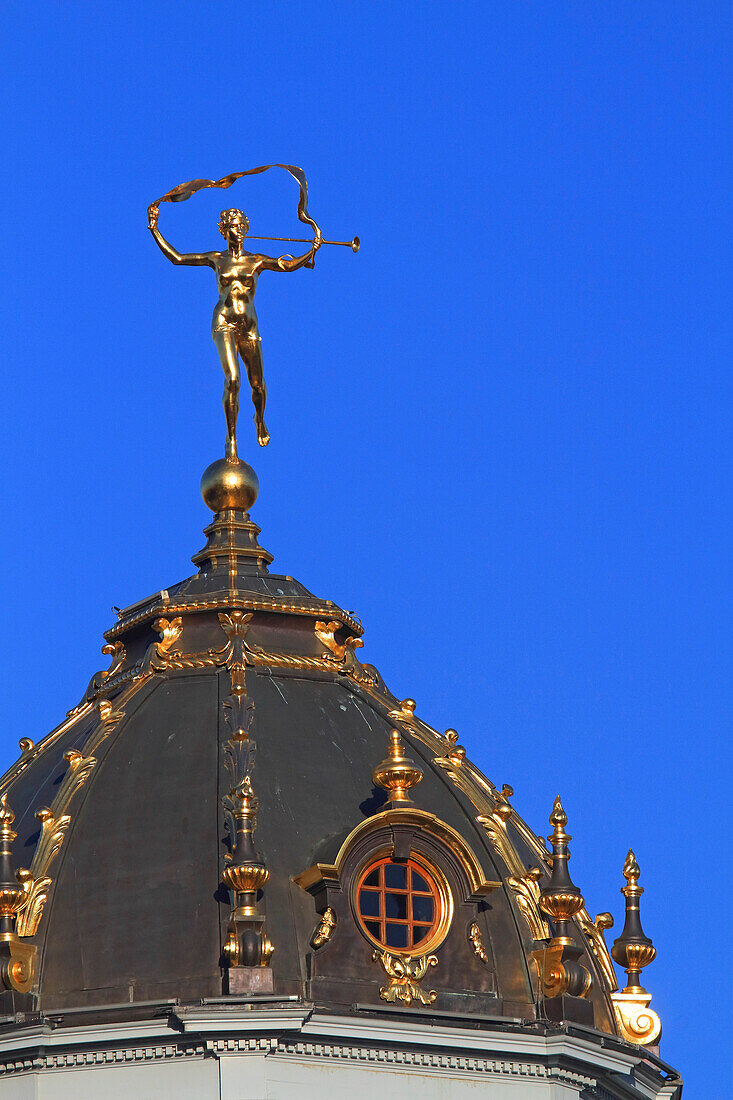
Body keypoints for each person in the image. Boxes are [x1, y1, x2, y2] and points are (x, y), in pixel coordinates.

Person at [148, 204, 320, 454]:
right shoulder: (217, 259)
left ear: (246, 229)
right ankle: (231, 440)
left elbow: (287, 265)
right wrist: (154, 229)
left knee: (258, 385)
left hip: (249, 327)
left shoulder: (256, 260)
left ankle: (259, 420)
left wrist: (312, 249)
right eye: (232, 227)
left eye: (241, 226)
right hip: (224, 322)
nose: (237, 230)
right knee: (233, 380)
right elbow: (178, 258)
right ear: (224, 231)